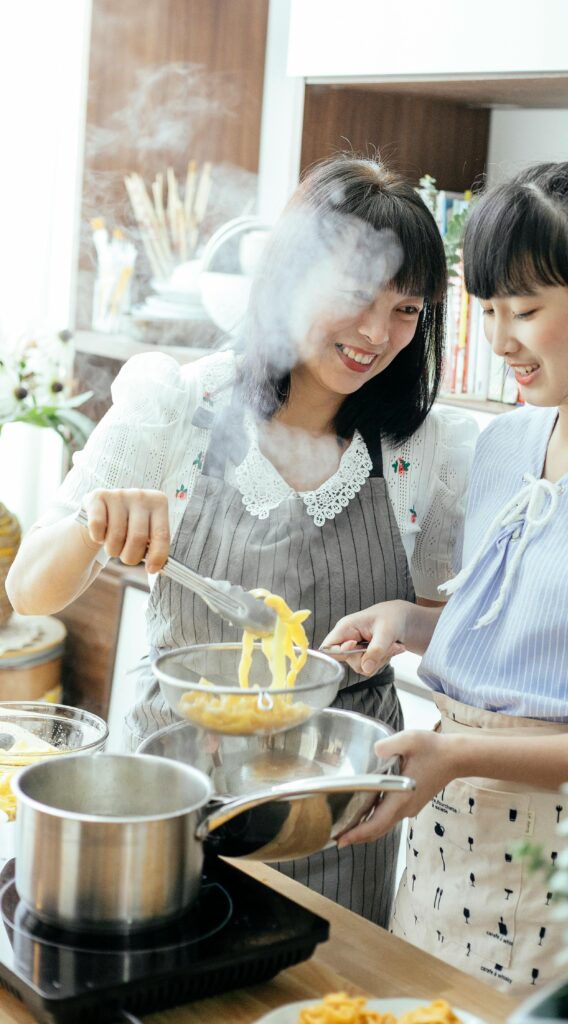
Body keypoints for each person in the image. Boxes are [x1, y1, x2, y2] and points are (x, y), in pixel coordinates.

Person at [7, 156, 478, 928]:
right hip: (175, 800)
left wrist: (408, 628)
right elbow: (29, 589)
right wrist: (98, 519)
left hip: (339, 812)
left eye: (406, 310)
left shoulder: (421, 452)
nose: (376, 333)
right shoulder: (178, 407)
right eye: (356, 295)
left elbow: (433, 620)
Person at [322, 97, 568, 992]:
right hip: (451, 841)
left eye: (524, 312)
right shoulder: (503, 442)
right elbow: (529, 624)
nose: (499, 343)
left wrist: (461, 751)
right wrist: (411, 624)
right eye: (486, 310)